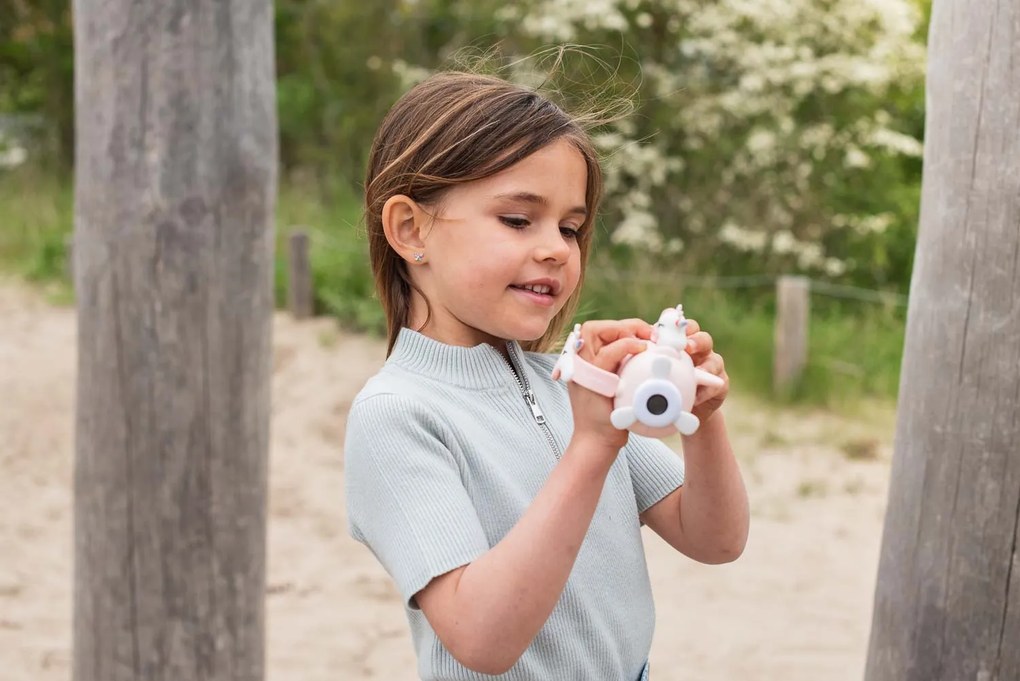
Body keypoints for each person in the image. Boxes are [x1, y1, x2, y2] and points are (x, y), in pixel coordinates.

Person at [344, 70, 750, 681]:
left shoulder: (567, 383)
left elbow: (715, 539)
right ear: (410, 229)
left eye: (569, 227)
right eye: (517, 219)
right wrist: (591, 446)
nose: (557, 249)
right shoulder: (397, 415)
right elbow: (481, 639)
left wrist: (702, 422)